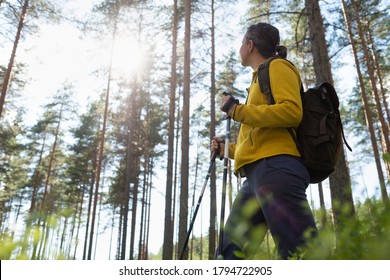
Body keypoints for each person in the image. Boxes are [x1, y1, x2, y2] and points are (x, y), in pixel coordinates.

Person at [212, 22, 318, 259]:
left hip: (277, 167)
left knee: (300, 250)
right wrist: (225, 150)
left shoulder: (278, 67)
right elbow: (255, 140)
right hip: (255, 177)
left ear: (250, 45)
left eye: (242, 43)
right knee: (229, 254)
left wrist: (237, 111)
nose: (240, 47)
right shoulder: (257, 79)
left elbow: (291, 111)